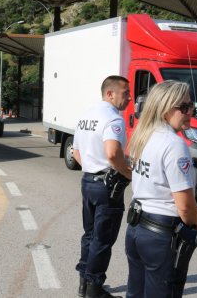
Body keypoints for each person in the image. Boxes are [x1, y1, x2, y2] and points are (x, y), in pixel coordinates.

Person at [125, 80, 197, 297]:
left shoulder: (143, 135)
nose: (190, 112)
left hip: (137, 229)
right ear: (166, 109)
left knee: (136, 293)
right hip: (162, 235)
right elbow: (185, 205)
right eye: (184, 107)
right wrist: (194, 229)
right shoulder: (174, 145)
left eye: (191, 106)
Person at [73, 75, 132, 298]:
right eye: (125, 93)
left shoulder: (86, 115)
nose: (129, 98)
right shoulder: (113, 118)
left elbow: (76, 152)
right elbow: (112, 153)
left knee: (89, 235)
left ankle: (83, 284)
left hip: (88, 181)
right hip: (107, 185)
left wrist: (92, 167)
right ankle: (94, 289)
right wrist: (127, 172)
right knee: (102, 239)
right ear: (110, 93)